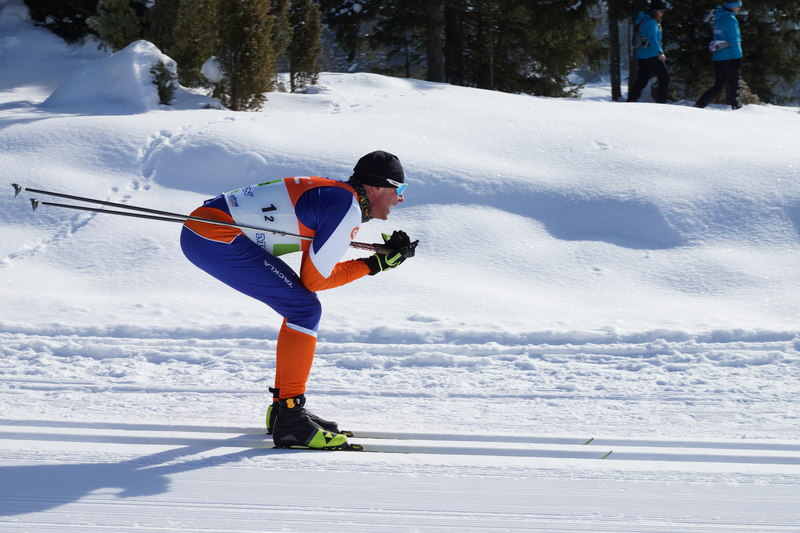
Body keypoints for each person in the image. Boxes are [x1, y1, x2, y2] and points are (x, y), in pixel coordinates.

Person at [180, 150, 418, 450]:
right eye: (399, 188)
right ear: (375, 187)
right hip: (216, 237)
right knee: (304, 309)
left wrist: (374, 262)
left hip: (208, 230)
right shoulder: (346, 207)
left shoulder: (339, 195)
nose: (401, 198)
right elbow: (315, 280)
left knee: (301, 307)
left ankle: (285, 410)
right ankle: (291, 419)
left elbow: (313, 266)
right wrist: (373, 265)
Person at [694, 1, 744, 109]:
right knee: (735, 83)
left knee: (719, 84)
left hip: (718, 55)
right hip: (730, 55)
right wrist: (738, 55)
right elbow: (733, 39)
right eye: (738, 6)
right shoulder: (730, 19)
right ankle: (736, 107)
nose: (739, 8)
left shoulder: (718, 17)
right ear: (732, 6)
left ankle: (700, 104)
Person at [627, 0, 670, 104]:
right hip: (652, 55)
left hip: (642, 55)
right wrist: (660, 52)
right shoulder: (652, 22)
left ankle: (630, 101)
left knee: (641, 81)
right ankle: (661, 103)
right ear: (656, 11)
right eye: (661, 11)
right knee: (665, 78)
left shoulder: (643, 20)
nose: (662, 13)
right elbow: (653, 39)